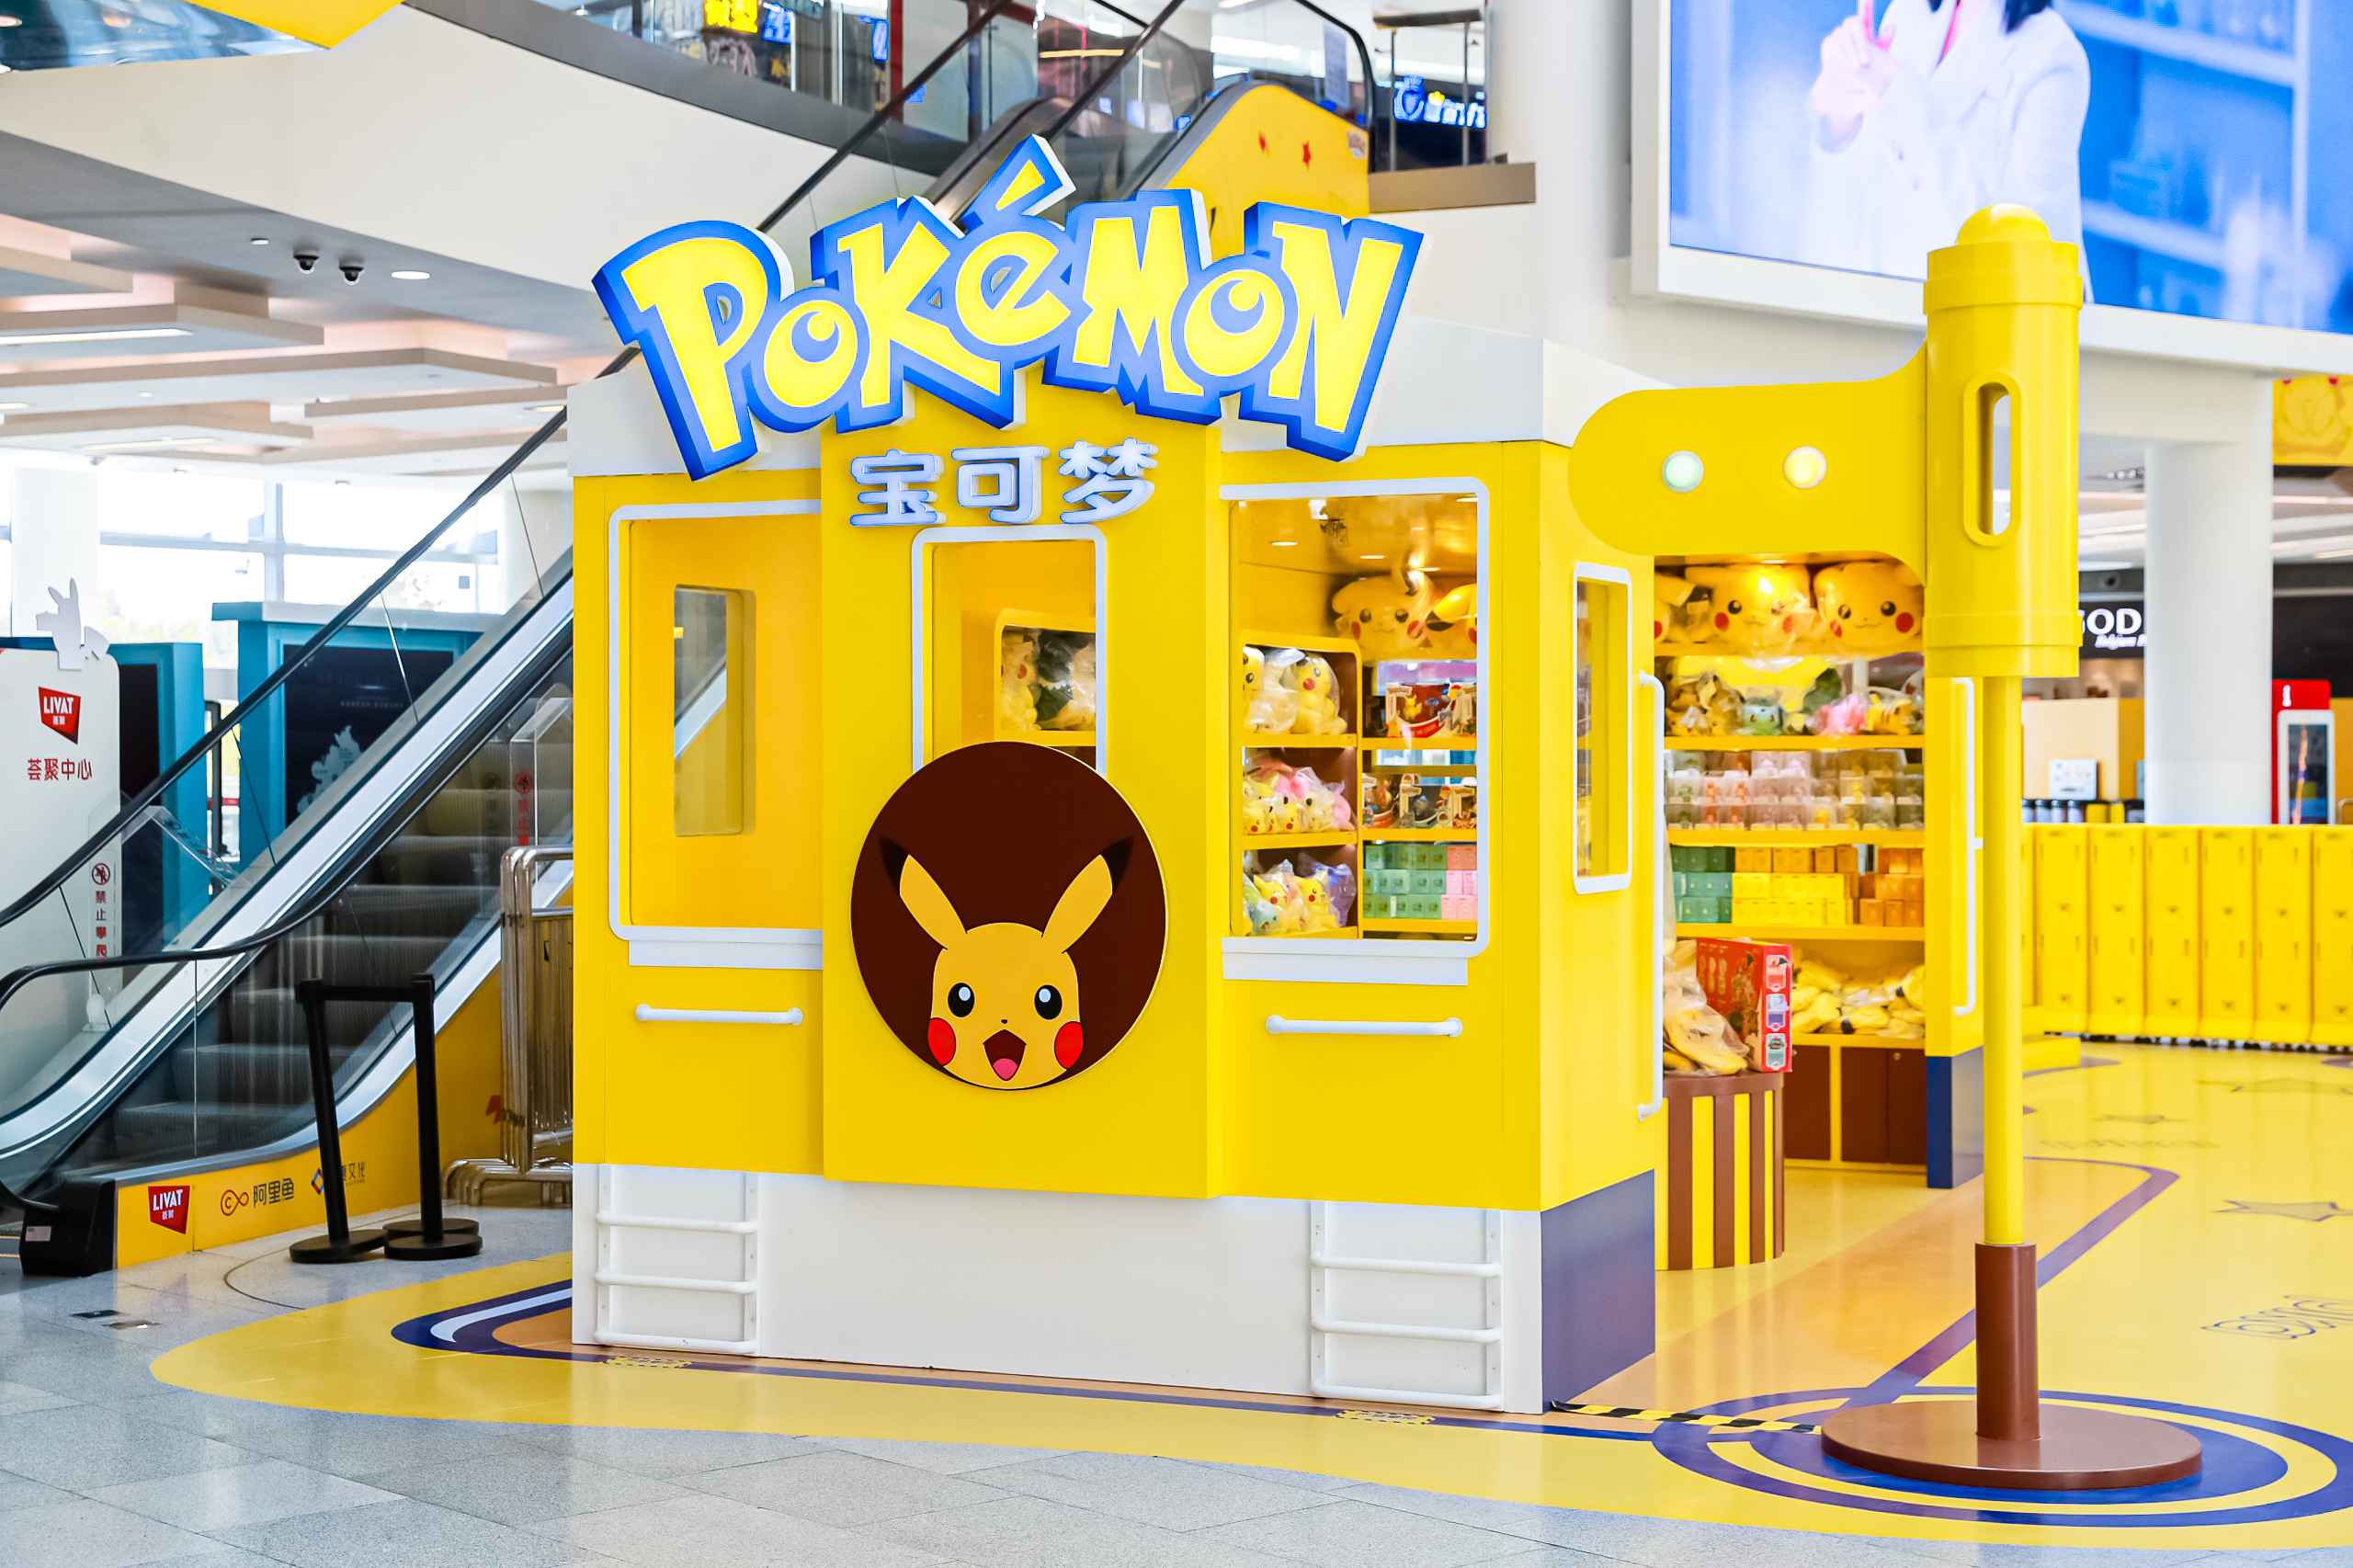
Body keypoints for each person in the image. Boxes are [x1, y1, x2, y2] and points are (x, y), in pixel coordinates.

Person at [1799, 0, 2088, 284]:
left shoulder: (2051, 57)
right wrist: (1836, 116)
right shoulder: (1909, 12)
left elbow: (2022, 256)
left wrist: (1900, 92)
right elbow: (1874, 183)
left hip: (1972, 307)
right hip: (1882, 294)